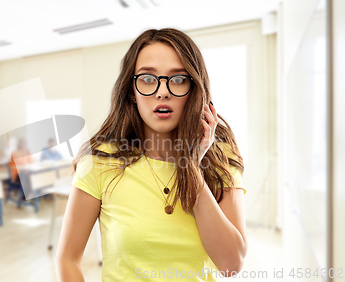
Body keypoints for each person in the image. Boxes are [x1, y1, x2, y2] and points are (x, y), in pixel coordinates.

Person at [56, 28, 248, 281]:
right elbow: (68, 259)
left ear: (194, 89)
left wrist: (192, 166)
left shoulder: (218, 157)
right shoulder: (100, 160)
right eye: (148, 78)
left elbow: (231, 265)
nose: (162, 92)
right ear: (132, 92)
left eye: (178, 79)